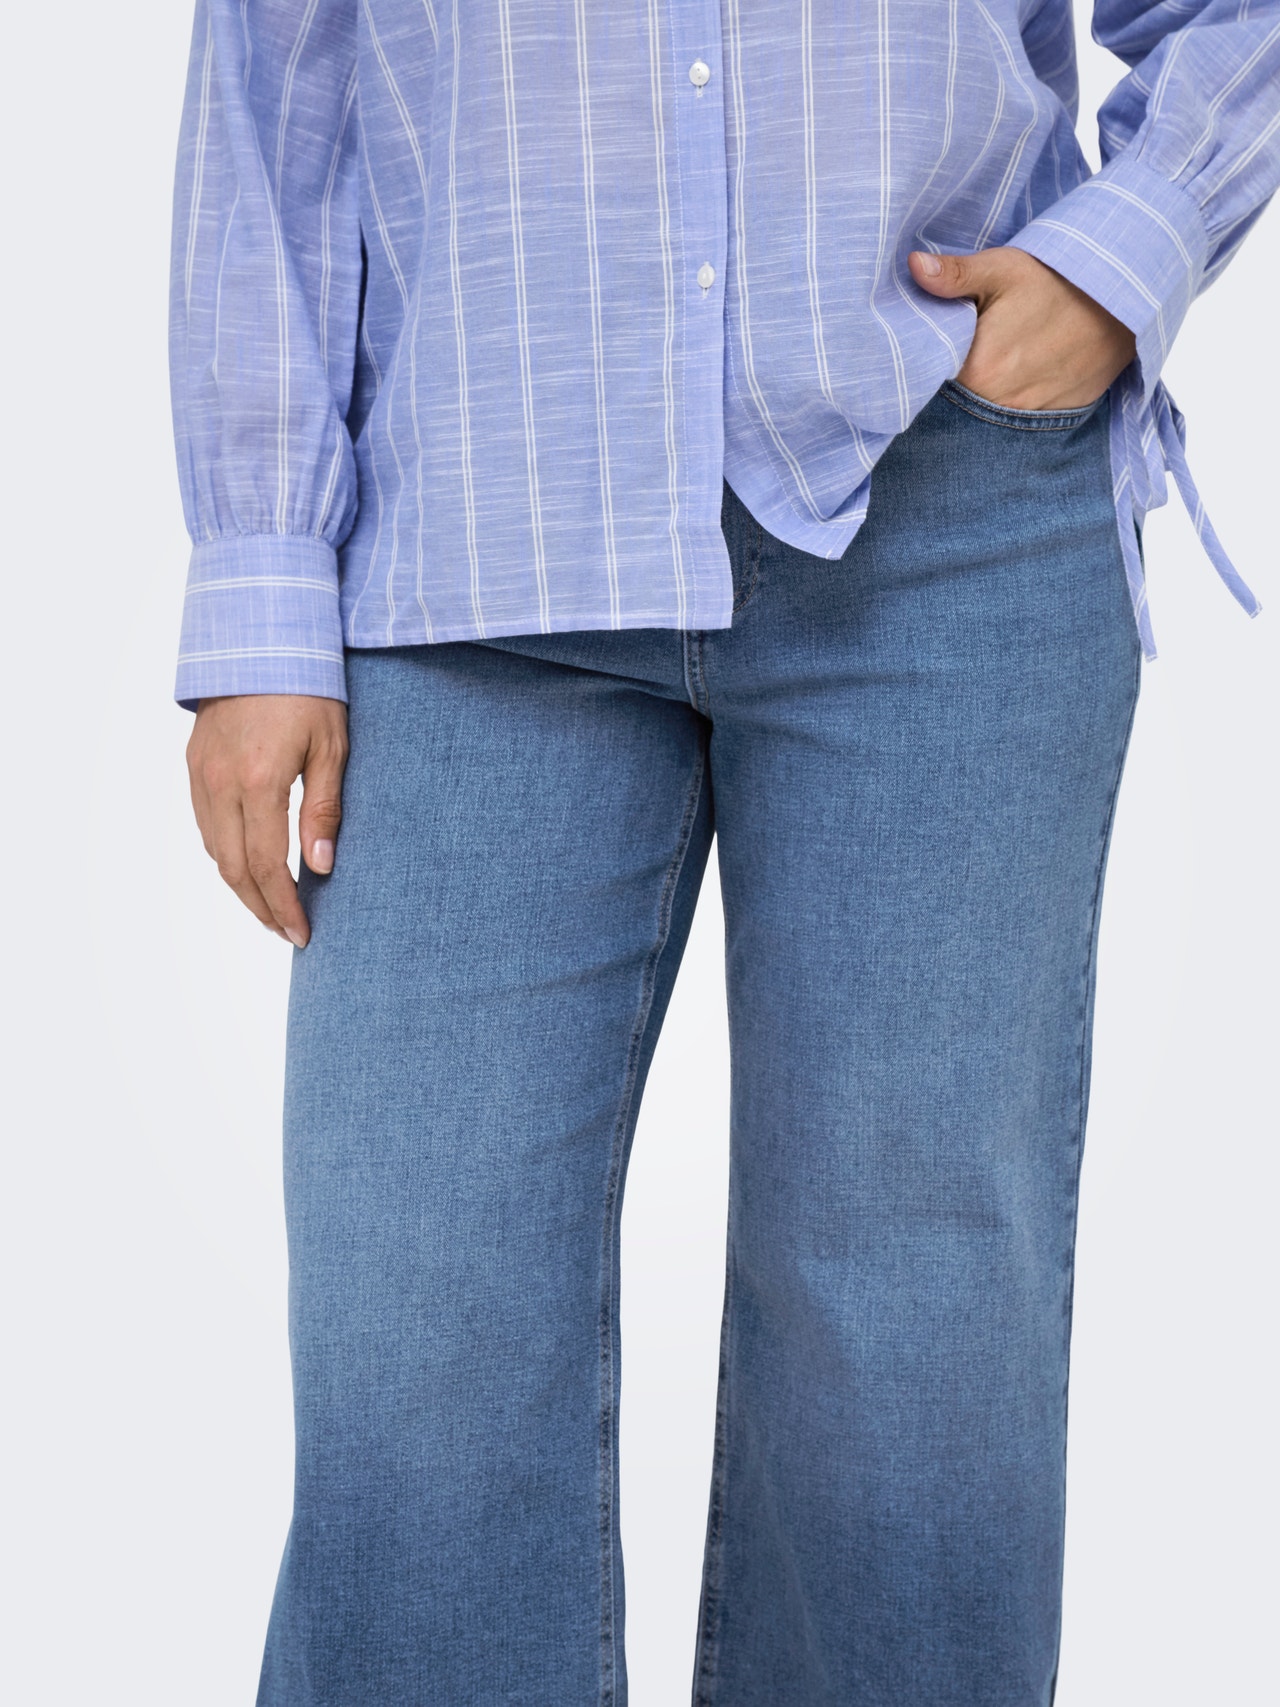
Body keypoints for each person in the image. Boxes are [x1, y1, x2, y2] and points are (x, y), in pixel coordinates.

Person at [171, 3, 1278, 1701]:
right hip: (477, 536)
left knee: (910, 1335)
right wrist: (261, 569)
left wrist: (1126, 248)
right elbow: (272, 78)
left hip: (947, 508)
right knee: (418, 1324)